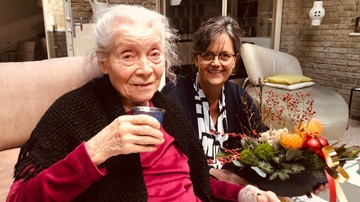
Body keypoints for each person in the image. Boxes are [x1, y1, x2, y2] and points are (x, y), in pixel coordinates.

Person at [6, 5, 280, 202]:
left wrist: (244, 194)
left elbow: (196, 181)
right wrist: (98, 149)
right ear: (103, 61)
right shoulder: (72, 112)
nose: (146, 69)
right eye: (128, 55)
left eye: (154, 54)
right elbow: (19, 198)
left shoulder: (168, 111)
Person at [161, 16, 328, 197]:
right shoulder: (173, 98)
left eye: (224, 55)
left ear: (234, 60)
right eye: (207, 55)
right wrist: (212, 173)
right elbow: (167, 163)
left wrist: (303, 176)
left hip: (234, 191)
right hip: (191, 189)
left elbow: (261, 141)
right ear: (196, 59)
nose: (216, 63)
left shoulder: (239, 97)